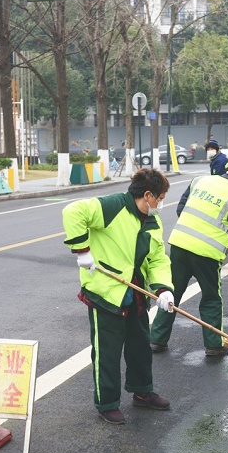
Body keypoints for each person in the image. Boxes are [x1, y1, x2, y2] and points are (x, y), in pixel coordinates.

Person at [62, 168, 175, 425]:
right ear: (148, 195)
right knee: (107, 352)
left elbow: (157, 258)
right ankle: (107, 403)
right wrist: (82, 250)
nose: (161, 204)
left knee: (140, 346)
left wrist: (163, 289)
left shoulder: (152, 221)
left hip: (134, 291)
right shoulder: (113, 206)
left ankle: (142, 391)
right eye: (160, 198)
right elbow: (72, 212)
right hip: (106, 291)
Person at [150, 160, 228, 356]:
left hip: (179, 245)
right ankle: (214, 345)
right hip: (207, 255)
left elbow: (181, 208)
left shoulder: (199, 181)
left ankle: (156, 340)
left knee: (171, 293)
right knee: (211, 298)